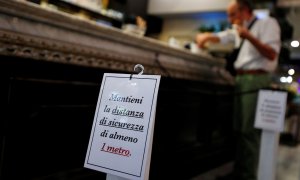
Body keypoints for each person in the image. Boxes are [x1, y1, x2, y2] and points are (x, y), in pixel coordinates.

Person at [196, 0, 281, 180]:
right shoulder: (241, 28)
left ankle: (248, 175)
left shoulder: (267, 24)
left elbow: (272, 53)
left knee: (249, 131)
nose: (230, 19)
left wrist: (248, 36)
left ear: (245, 11)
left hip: (255, 79)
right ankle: (241, 172)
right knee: (239, 129)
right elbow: (224, 36)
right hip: (241, 79)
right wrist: (207, 37)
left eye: (233, 14)